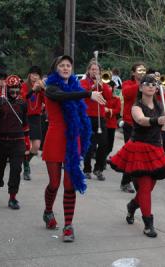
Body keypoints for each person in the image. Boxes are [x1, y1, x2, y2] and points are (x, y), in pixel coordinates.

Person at [42, 55, 106, 242]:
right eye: (61, 65)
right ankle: (48, 211)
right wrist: (88, 94)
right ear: (56, 69)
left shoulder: (77, 87)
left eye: (68, 65)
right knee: (54, 183)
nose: (65, 68)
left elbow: (80, 98)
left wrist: (92, 90)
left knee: (69, 185)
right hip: (55, 138)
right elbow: (60, 96)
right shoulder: (50, 87)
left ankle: (68, 225)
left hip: (73, 139)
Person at [108, 75, 165, 238]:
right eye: (147, 84)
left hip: (155, 149)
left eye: (154, 84)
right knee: (145, 187)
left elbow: (163, 129)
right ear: (141, 87)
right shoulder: (136, 106)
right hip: (138, 149)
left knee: (149, 188)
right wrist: (158, 120)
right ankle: (148, 223)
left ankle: (132, 206)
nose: (151, 86)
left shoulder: (159, 105)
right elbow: (141, 120)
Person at [0, 75, 30, 209]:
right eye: (12, 90)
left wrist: (27, 141)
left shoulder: (23, 104)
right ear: (6, 89)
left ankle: (13, 197)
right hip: (0, 140)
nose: (14, 93)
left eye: (17, 90)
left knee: (16, 170)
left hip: (17, 142)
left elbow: (25, 125)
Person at [80, 61, 111, 181]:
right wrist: (93, 87)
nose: (95, 71)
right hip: (88, 116)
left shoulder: (104, 83)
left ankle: (98, 168)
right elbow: (83, 94)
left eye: (96, 70)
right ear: (88, 71)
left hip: (100, 117)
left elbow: (108, 97)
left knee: (103, 144)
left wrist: (102, 86)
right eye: (92, 69)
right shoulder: (83, 82)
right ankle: (87, 169)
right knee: (89, 144)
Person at [119, 62, 147, 193]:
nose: (142, 73)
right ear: (133, 73)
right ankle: (126, 182)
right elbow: (126, 93)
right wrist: (141, 84)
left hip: (143, 123)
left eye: (144, 71)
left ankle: (131, 180)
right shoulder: (127, 84)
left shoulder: (147, 84)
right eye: (139, 71)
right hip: (130, 123)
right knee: (131, 154)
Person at [21, 66, 45, 181]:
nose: (35, 77)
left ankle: (26, 161)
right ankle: (26, 169)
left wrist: (44, 89)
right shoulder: (24, 86)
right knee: (26, 146)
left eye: (37, 75)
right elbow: (23, 98)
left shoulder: (41, 87)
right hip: (24, 117)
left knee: (36, 146)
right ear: (29, 75)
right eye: (33, 74)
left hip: (36, 118)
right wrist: (33, 90)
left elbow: (47, 101)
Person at [105, 81, 121, 165]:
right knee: (103, 144)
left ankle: (102, 157)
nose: (115, 89)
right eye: (113, 87)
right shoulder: (103, 96)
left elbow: (118, 109)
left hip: (111, 123)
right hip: (104, 123)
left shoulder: (116, 98)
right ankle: (101, 160)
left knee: (110, 146)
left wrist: (109, 110)